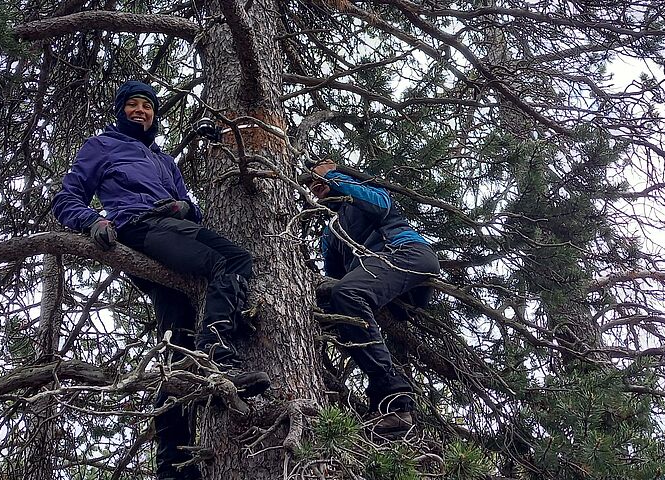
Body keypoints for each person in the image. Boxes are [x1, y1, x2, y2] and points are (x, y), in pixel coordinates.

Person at [52, 80, 270, 480]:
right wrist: (93, 221)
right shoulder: (101, 146)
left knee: (178, 347)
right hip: (138, 228)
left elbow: (193, 210)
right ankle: (219, 355)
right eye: (132, 105)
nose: (140, 111)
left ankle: (174, 468)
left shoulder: (164, 160)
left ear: (154, 114)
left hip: (170, 230)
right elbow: (67, 198)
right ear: (120, 111)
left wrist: (184, 205)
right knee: (233, 260)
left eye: (147, 106)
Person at [299, 159, 441, 439]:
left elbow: (380, 206)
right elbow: (335, 278)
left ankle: (394, 396)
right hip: (378, 279)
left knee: (347, 294)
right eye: (315, 188)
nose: (319, 190)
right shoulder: (331, 232)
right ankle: (385, 406)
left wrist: (334, 175)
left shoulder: (368, 192)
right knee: (335, 302)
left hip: (406, 254)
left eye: (321, 184)